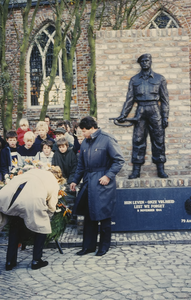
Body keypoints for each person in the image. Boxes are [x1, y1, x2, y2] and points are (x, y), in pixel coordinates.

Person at [70, 116, 124, 256]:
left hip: (102, 182)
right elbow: (81, 165)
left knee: (104, 216)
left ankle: (104, 247)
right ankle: (88, 246)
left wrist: (108, 176)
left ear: (92, 128)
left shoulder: (107, 139)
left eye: (83, 131)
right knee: (89, 216)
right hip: (88, 182)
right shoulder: (85, 143)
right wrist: (75, 180)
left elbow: (118, 160)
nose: (82, 134)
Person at [0, 166, 65, 270]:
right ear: (58, 178)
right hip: (31, 201)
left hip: (8, 194)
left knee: (15, 226)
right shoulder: (53, 182)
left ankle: (9, 262)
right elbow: (52, 206)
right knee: (43, 228)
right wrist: (48, 216)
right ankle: (36, 260)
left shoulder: (35, 171)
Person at [116, 53, 169, 179]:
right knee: (138, 140)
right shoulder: (135, 80)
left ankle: (160, 168)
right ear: (140, 63)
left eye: (147, 61)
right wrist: (123, 115)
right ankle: (136, 170)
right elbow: (129, 99)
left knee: (158, 139)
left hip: (154, 109)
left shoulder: (159, 79)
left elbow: (165, 99)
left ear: (151, 62)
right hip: (140, 110)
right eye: (143, 61)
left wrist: (165, 116)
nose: (145, 63)